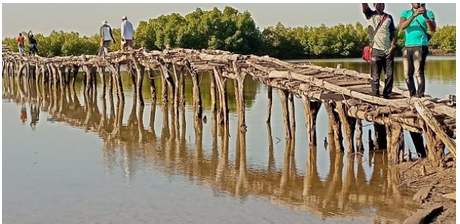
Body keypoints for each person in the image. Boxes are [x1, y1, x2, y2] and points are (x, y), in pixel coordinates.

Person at [399, 3, 436, 98]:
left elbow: (433, 29)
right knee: (407, 74)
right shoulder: (405, 13)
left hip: (420, 45)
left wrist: (426, 17)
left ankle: (420, 96)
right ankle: (412, 95)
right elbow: (402, 26)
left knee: (418, 72)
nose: (417, 3)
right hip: (407, 46)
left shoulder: (429, 13)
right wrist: (413, 15)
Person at [362, 3, 396, 99]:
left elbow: (393, 33)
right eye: (379, 3)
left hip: (387, 50)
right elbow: (364, 8)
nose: (381, 5)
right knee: (375, 75)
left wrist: (392, 46)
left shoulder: (389, 17)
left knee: (389, 74)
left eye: (383, 3)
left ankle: (387, 95)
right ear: (374, 4)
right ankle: (375, 95)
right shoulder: (370, 15)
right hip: (375, 50)